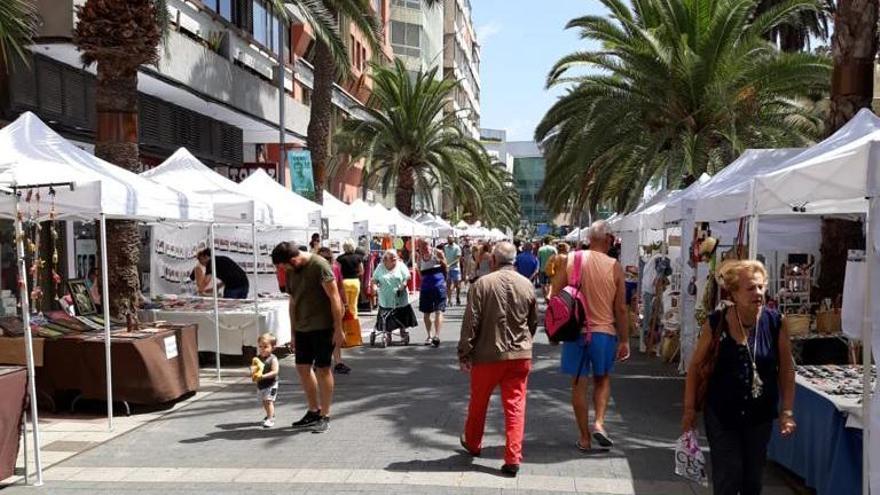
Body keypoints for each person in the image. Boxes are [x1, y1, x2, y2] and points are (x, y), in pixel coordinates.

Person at [682, 260, 796, 495]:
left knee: (752, 480)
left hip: (760, 416)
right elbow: (694, 367)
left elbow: (786, 368)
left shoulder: (776, 322)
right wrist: (689, 410)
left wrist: (787, 411)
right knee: (728, 476)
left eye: (761, 287)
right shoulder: (716, 323)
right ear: (733, 292)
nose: (758, 293)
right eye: (750, 288)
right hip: (722, 414)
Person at [458, 242, 538, 478]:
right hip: (519, 355)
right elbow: (532, 322)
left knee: (479, 402)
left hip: (487, 355)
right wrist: (525, 342)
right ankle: (513, 457)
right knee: (515, 407)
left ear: (493, 260)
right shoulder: (527, 284)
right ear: (513, 260)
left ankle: (473, 443)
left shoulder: (482, 284)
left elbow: (470, 322)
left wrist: (465, 352)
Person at [560, 220, 630, 451]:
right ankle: (599, 423)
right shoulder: (614, 266)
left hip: (575, 332)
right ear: (609, 239)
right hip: (604, 333)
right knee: (602, 380)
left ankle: (584, 438)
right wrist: (625, 339)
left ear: (590, 238)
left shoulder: (572, 259)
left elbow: (554, 294)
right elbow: (620, 308)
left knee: (579, 384)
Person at [271, 242, 345, 433]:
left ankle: (325, 415)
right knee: (303, 368)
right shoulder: (290, 271)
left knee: (323, 369)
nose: (283, 270)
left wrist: (338, 328)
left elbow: (335, 297)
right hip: (303, 327)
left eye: (284, 266)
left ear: (293, 259)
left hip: (323, 326)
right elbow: (293, 301)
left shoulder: (319, 265)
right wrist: (293, 332)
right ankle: (314, 410)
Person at [317, 247, 352, 375]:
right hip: (319, 306)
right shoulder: (314, 270)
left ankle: (338, 362)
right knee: (320, 333)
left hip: (334, 304)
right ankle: (319, 360)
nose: (325, 260)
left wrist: (345, 303)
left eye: (328, 258)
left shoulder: (335, 268)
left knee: (335, 332)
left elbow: (341, 287)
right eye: (322, 257)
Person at [371, 250, 417, 342]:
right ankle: (387, 335)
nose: (394, 259)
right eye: (391, 258)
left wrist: (403, 285)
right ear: (385, 259)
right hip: (385, 297)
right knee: (386, 317)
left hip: (399, 295)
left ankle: (402, 332)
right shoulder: (380, 267)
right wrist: (375, 287)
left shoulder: (400, 265)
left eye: (395, 257)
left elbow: (407, 277)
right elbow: (374, 279)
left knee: (400, 314)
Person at [416, 239, 447, 347]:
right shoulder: (419, 256)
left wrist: (444, 280)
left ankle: (436, 336)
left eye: (425, 246)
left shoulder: (437, 252)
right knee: (426, 313)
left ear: (429, 245)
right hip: (426, 287)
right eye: (420, 246)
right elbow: (419, 269)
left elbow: (445, 266)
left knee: (438, 311)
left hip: (438, 285)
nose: (423, 248)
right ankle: (429, 335)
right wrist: (422, 279)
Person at [252, 333, 279, 428]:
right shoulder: (258, 358)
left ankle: (271, 419)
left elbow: (275, 372)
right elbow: (255, 369)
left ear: (273, 347)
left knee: (268, 401)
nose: (262, 349)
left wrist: (262, 376)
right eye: (260, 346)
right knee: (264, 401)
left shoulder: (273, 359)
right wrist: (253, 373)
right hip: (261, 384)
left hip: (271, 384)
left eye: (266, 347)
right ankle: (269, 415)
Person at [444, 236, 463, 306]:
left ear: (453, 239)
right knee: (448, 284)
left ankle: (457, 297)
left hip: (455, 268)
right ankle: (449, 300)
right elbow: (444, 257)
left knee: (457, 285)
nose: (449, 240)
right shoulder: (445, 247)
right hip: (448, 268)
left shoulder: (457, 247)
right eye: (448, 238)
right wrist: (445, 264)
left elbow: (458, 259)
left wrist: (450, 264)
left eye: (451, 238)